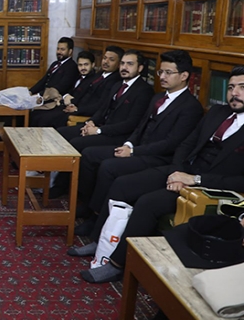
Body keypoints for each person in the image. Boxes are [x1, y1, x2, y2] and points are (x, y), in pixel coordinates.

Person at [72, 66, 244, 284]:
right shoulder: (218, 112)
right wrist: (177, 172)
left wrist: (194, 180)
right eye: (231, 87)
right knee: (122, 184)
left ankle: (116, 264)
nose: (234, 93)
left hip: (207, 188)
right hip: (182, 171)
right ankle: (101, 243)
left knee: (147, 203)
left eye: (242, 88)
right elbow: (186, 144)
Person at [73, 50, 205, 231]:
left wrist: (133, 151)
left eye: (168, 73)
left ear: (184, 76)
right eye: (160, 72)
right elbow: (140, 126)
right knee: (91, 154)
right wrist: (128, 144)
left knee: (109, 167)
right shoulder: (158, 98)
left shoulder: (191, 107)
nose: (162, 77)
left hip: (159, 158)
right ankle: (89, 208)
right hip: (138, 149)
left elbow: (171, 143)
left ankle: (97, 220)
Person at [51, 50, 154, 198]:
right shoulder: (117, 85)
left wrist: (99, 131)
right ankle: (58, 180)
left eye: (130, 64)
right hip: (101, 127)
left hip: (118, 136)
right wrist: (90, 123)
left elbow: (131, 124)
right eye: (123, 63)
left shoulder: (144, 90)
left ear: (140, 68)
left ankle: (71, 190)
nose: (124, 67)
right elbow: (102, 110)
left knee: (76, 144)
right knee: (61, 133)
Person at [30, 50, 98, 128]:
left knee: (44, 119)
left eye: (86, 65)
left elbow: (85, 99)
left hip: (76, 110)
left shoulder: (94, 81)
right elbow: (67, 90)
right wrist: (64, 97)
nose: (83, 68)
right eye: (80, 65)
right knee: (36, 113)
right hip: (64, 104)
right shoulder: (78, 76)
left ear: (93, 65)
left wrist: (71, 102)